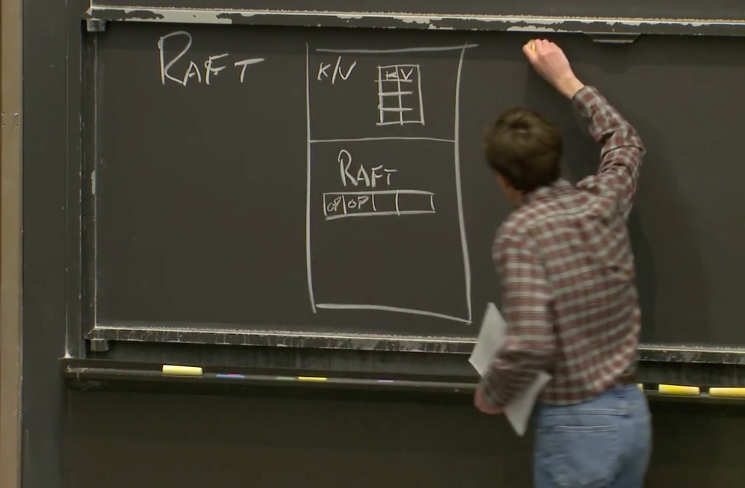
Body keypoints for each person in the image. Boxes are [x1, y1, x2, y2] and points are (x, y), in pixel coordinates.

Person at [474, 39, 652, 488]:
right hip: (632, 413)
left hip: (577, 428)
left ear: (503, 180)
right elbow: (625, 142)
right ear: (554, 157)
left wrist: (493, 392)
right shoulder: (603, 201)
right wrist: (567, 81)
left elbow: (531, 342)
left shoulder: (521, 234)